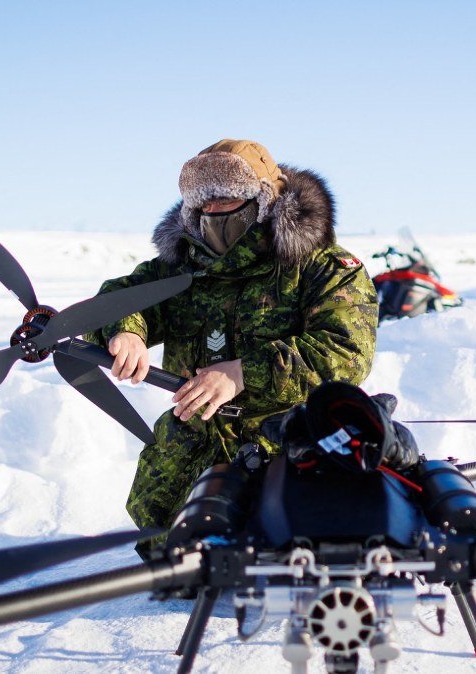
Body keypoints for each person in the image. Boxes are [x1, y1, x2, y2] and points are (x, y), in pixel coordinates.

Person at [86, 139, 378, 556]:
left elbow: (346, 353)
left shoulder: (322, 268)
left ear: (265, 198)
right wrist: (126, 330)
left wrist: (243, 372)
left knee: (286, 565)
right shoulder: (181, 266)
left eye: (230, 196)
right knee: (177, 565)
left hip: (290, 453)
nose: (217, 208)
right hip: (192, 456)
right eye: (205, 199)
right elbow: (118, 300)